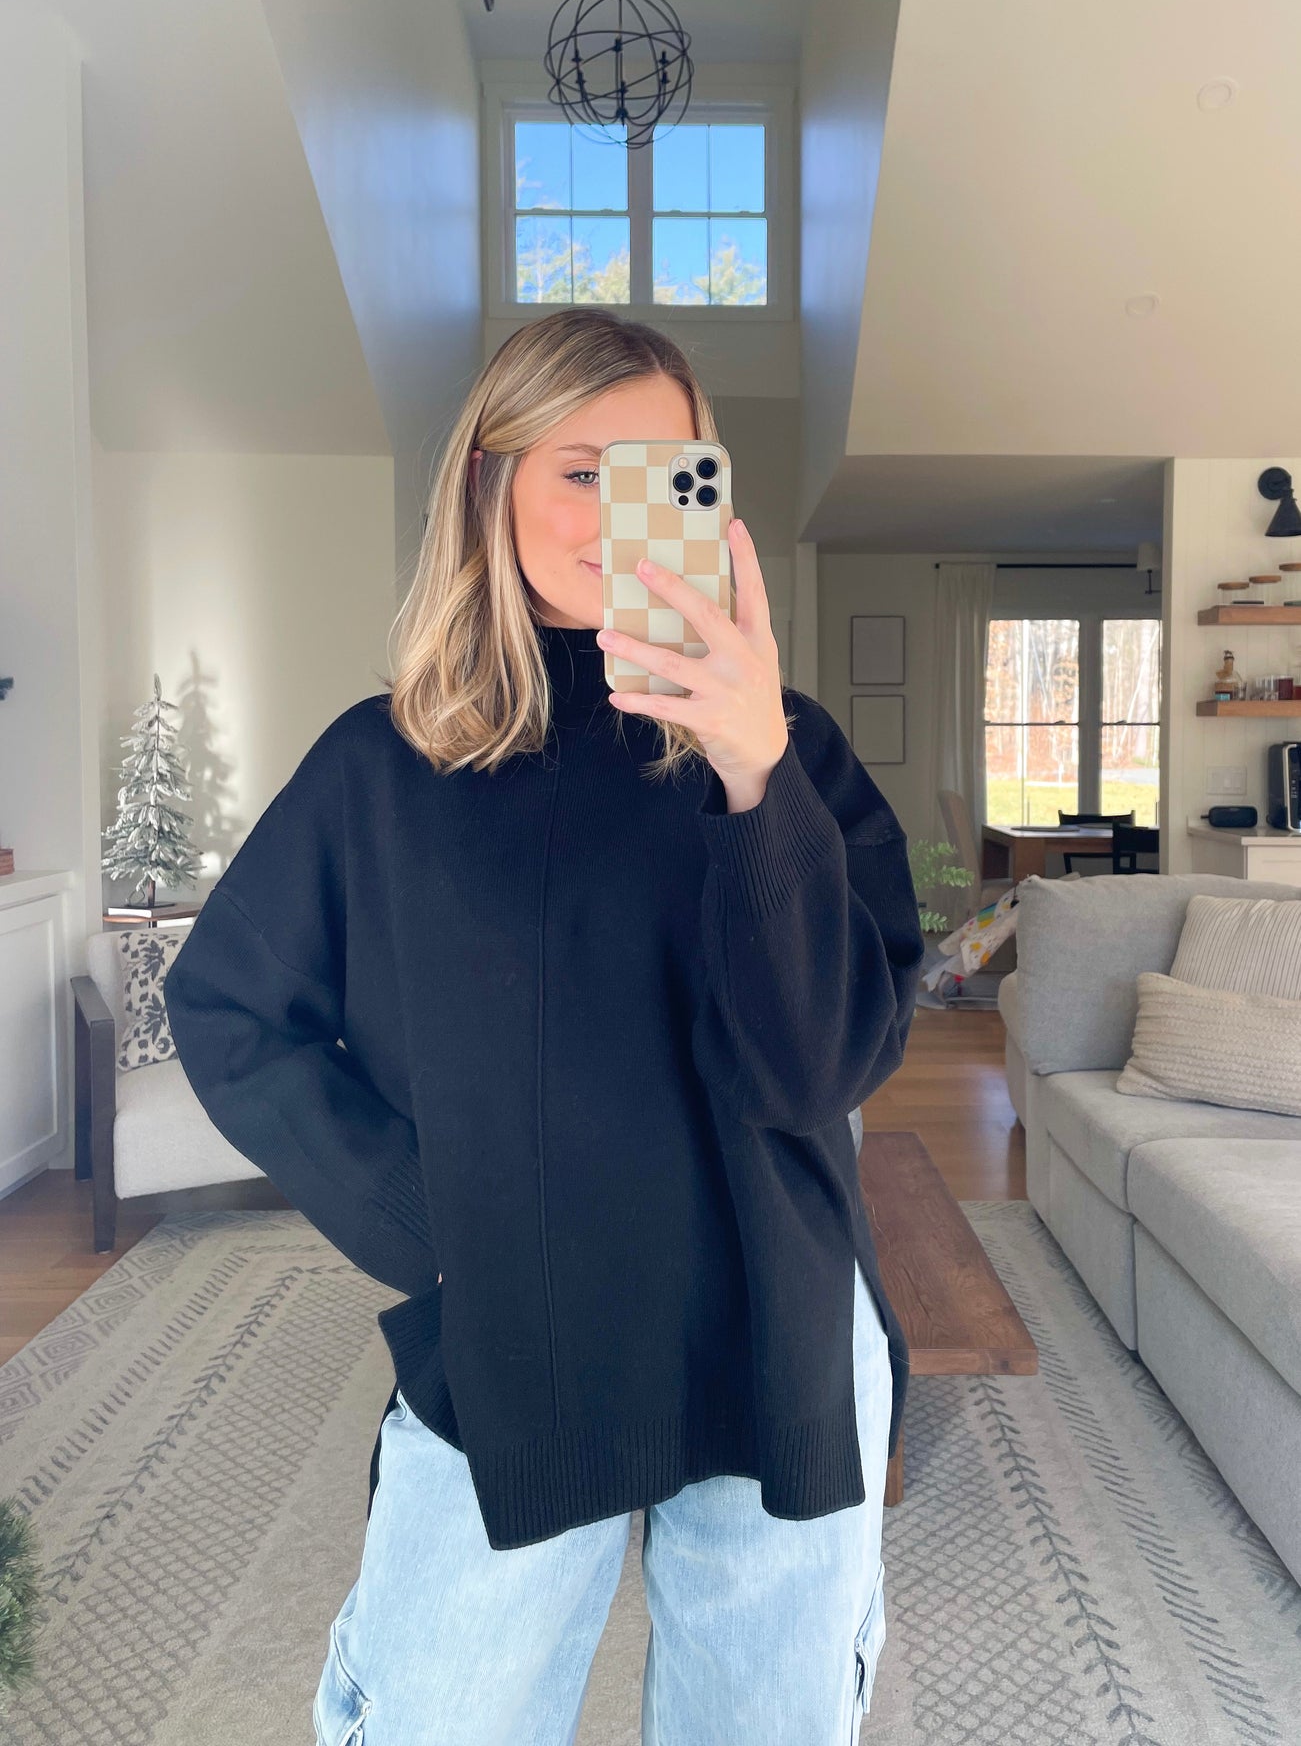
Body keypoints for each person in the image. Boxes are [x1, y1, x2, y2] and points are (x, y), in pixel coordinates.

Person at [163, 306, 925, 1745]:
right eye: (582, 471)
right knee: (443, 1715)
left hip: (775, 1313)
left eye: (665, 475)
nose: (620, 514)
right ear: (489, 483)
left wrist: (755, 775)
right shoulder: (386, 764)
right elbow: (230, 1006)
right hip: (516, 1328)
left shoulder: (791, 749)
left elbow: (826, 1064)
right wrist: (429, 1223)